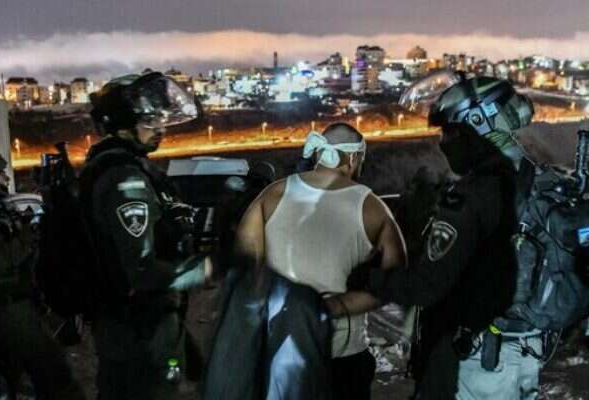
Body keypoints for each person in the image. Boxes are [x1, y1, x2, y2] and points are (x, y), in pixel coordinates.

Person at [355, 73, 541, 399]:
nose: (444, 142)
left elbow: (426, 286)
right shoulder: (533, 177)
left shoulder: (472, 195)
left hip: (478, 358)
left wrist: (368, 277)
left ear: (478, 124)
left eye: (450, 132)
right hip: (525, 348)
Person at [229, 123, 407, 400]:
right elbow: (396, 279)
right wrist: (333, 306)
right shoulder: (370, 206)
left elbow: (243, 271)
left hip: (280, 352)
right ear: (353, 158)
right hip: (341, 357)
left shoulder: (271, 196)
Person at [83, 72, 213, 400]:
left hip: (130, 323)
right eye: (151, 120)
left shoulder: (116, 167)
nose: (161, 128)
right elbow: (141, 271)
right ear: (124, 125)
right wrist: (208, 268)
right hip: (138, 327)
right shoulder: (125, 179)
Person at [0, 153, 86, 399]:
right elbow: (2, 259)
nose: (6, 179)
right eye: (0, 175)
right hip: (7, 308)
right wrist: (28, 232)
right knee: (55, 375)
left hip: (10, 304)